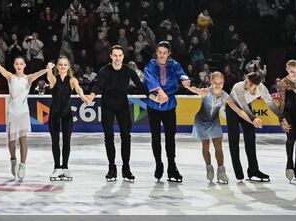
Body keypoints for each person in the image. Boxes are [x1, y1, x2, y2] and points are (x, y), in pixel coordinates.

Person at [85, 45, 165, 182]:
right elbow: (98, 85)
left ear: (123, 56)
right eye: (115, 55)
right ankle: (112, 168)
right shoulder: (104, 71)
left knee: (126, 136)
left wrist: (152, 96)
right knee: (108, 136)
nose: (117, 58)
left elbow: (140, 86)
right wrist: (92, 95)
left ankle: (126, 168)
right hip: (107, 106)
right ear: (111, 56)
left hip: (122, 105)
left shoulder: (128, 70)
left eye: (120, 55)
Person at [0, 51, 54, 182]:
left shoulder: (28, 78)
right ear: (13, 65)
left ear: (24, 65)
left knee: (23, 139)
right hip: (12, 112)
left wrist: (47, 69)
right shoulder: (10, 77)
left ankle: (23, 165)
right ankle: (13, 160)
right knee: (11, 140)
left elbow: (37, 74)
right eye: (17, 63)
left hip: (23, 112)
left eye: (21, 63)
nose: (19, 65)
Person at [190, 71, 257, 185]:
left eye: (220, 83)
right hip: (201, 121)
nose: (218, 85)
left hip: (214, 121)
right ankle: (209, 167)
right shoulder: (206, 92)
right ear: (210, 82)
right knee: (206, 146)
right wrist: (188, 86)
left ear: (223, 82)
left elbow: (238, 111)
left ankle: (221, 171)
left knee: (218, 146)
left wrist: (252, 120)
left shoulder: (226, 96)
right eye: (215, 82)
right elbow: (196, 90)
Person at [142, 41, 192, 183]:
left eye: (165, 52)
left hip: (169, 105)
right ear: (156, 53)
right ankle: (158, 164)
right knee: (155, 137)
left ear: (168, 53)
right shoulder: (151, 65)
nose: (162, 55)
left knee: (171, 137)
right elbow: (150, 78)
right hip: (154, 105)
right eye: (160, 52)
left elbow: (181, 75)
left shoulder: (174, 65)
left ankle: (172, 166)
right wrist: (159, 91)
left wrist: (185, 80)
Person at [39, 55, 87, 181]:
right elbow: (49, 77)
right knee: (55, 141)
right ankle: (57, 168)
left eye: (65, 65)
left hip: (67, 114)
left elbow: (78, 89)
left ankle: (65, 167)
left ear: (68, 67)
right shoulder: (54, 79)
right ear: (57, 67)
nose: (63, 67)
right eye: (60, 64)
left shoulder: (72, 80)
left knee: (67, 140)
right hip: (54, 113)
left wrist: (83, 96)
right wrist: (49, 69)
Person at [227, 67, 278, 182]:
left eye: (248, 83)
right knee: (234, 139)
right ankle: (238, 171)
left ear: (256, 85)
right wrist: (254, 119)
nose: (245, 83)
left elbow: (270, 103)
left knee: (250, 138)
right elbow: (243, 109)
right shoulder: (238, 87)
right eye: (245, 80)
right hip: (233, 108)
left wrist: (281, 116)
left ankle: (253, 170)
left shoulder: (261, 88)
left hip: (248, 108)